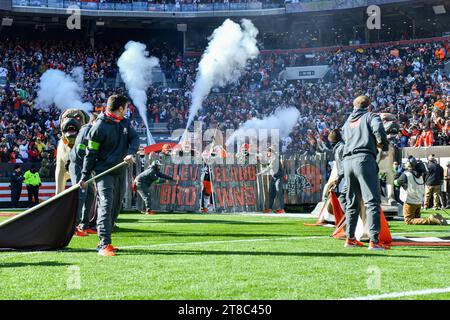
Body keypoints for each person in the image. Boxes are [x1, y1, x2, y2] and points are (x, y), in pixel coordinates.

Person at [79, 95, 139, 257]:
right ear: (120, 108)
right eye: (125, 108)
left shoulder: (124, 122)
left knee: (115, 205)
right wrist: (84, 176)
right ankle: (104, 244)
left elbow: (135, 138)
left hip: (120, 171)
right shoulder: (98, 128)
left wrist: (131, 153)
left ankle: (106, 238)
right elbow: (90, 154)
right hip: (103, 172)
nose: (126, 110)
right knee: (106, 204)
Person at [341, 95, 390, 250]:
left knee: (352, 202)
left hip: (348, 161)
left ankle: (350, 239)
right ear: (369, 106)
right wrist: (384, 146)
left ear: (354, 106)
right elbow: (379, 131)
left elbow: (344, 137)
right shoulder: (371, 116)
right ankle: (374, 241)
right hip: (364, 159)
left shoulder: (347, 122)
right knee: (371, 201)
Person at [68, 113, 98, 237]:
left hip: (85, 167)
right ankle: (73, 227)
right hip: (78, 165)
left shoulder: (92, 131)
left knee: (91, 193)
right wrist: (88, 167)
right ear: (94, 121)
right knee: (81, 194)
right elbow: (80, 152)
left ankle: (84, 225)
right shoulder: (86, 130)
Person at [394, 157, 447, 225]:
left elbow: (396, 183)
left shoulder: (406, 175)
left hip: (409, 202)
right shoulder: (421, 176)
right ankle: (434, 218)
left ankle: (431, 220)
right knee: (416, 219)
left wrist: (398, 173)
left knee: (408, 221)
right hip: (419, 202)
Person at [258, 146, 285, 214]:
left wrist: (261, 172)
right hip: (273, 177)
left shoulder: (275, 158)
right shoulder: (271, 158)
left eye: (268, 152)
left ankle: (282, 209)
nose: (267, 153)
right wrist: (260, 159)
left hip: (278, 177)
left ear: (271, 152)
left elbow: (269, 167)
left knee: (279, 192)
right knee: (271, 193)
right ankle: (269, 209)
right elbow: (267, 163)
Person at [327, 129, 347, 210]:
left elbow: (343, 168)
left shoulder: (339, 149)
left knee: (343, 199)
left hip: (350, 177)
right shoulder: (341, 147)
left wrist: (337, 182)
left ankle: (350, 220)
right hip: (351, 176)